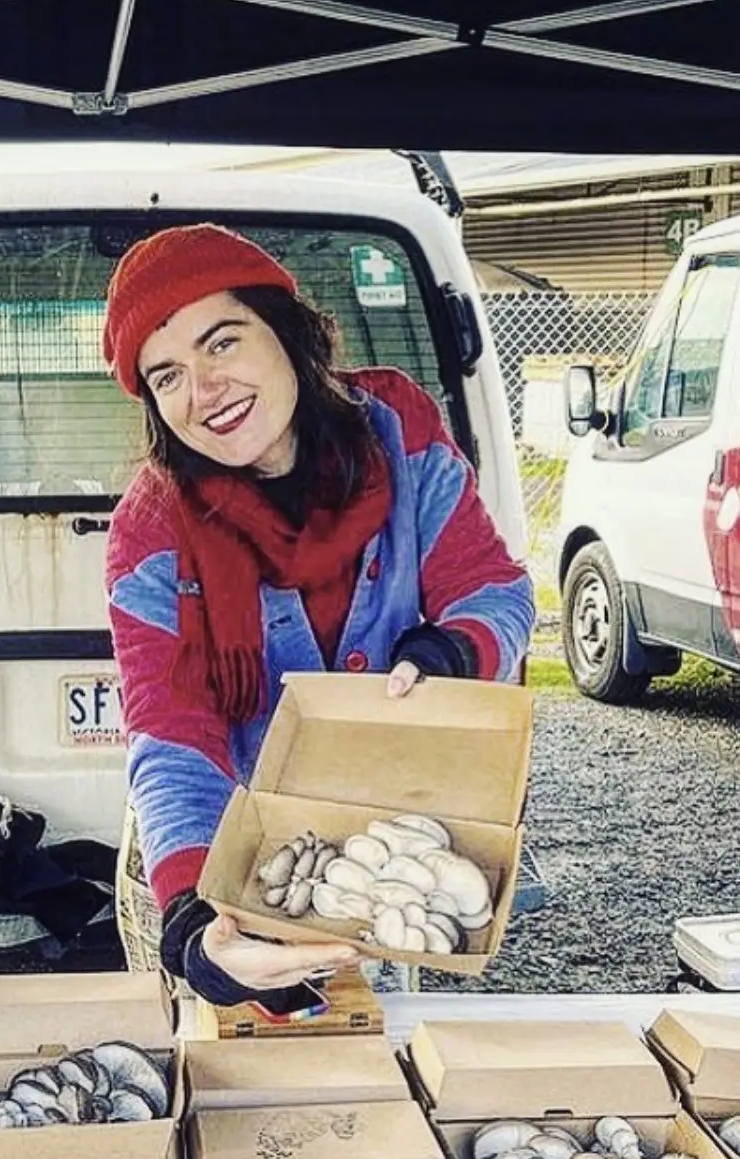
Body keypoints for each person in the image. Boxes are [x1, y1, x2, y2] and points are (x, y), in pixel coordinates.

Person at [102, 223, 535, 1012]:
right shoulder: (153, 527)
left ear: (288, 333)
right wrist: (199, 926)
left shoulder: (400, 441)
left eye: (222, 343)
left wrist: (448, 651)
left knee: (374, 1048)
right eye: (165, 375)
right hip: (223, 855)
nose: (202, 392)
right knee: (233, 1065)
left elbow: (496, 591)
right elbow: (171, 733)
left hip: (386, 841)